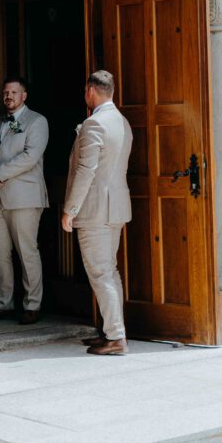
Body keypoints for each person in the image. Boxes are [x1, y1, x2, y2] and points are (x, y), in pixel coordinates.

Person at [62, 70, 133, 355]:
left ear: (90, 91)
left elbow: (86, 171)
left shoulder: (94, 124)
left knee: (101, 273)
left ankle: (116, 337)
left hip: (94, 210)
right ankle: (111, 331)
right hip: (115, 208)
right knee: (109, 271)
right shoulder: (122, 122)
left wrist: (70, 209)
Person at [0, 77, 49, 325]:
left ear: (24, 96)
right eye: (5, 92)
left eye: (13, 92)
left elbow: (31, 157)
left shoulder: (37, 121)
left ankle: (33, 304)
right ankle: (4, 303)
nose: (8, 96)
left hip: (24, 197)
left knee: (27, 251)